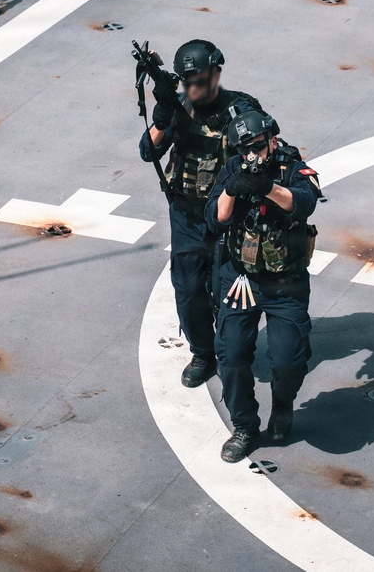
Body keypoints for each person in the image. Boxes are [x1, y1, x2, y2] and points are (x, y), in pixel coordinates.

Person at [139, 40, 262, 389]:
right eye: (187, 81)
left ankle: (231, 351)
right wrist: (161, 121)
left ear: (216, 73)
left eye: (200, 79)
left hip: (227, 217)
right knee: (188, 288)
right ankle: (203, 353)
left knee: (231, 290)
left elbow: (263, 149)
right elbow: (148, 151)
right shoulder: (177, 106)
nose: (193, 88)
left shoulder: (241, 108)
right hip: (187, 216)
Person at [205, 109, 322, 463]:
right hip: (241, 277)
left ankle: (283, 405)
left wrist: (267, 188)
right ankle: (244, 426)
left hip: (285, 283)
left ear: (272, 139)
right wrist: (233, 187)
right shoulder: (234, 168)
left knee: (288, 360)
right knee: (232, 354)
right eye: (245, 150)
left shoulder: (292, 167)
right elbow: (215, 219)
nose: (251, 156)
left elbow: (304, 203)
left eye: (257, 147)